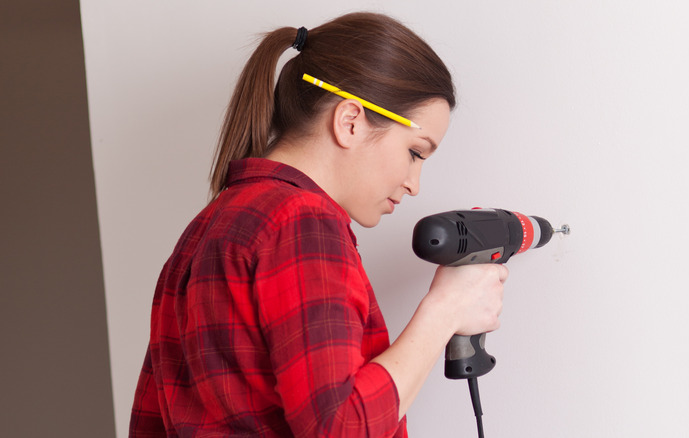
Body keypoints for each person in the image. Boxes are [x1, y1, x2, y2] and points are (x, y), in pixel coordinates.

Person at [130, 12, 507, 438]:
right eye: (416, 153)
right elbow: (339, 429)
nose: (413, 184)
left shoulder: (213, 222)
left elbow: (151, 421)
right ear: (350, 121)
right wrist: (445, 311)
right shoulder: (301, 222)